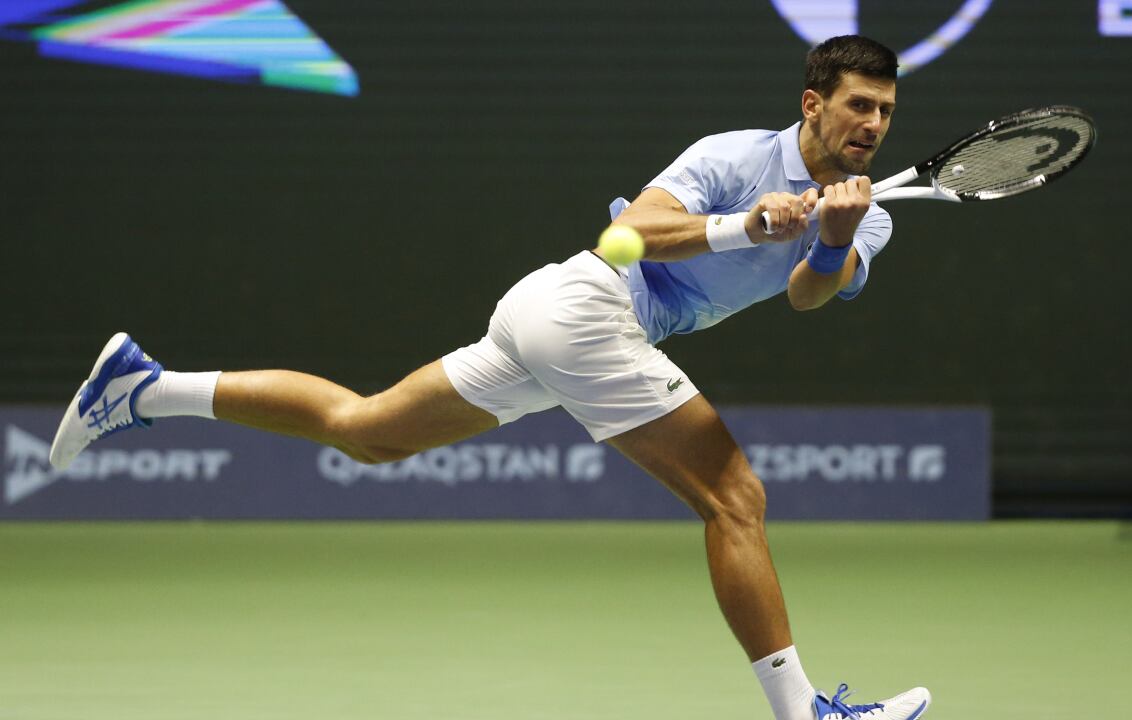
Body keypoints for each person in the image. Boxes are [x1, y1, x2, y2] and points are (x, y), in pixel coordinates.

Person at [49, 35, 929, 720]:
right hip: (583, 303)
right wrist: (748, 223)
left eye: (886, 112)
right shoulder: (733, 156)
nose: (875, 126)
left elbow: (814, 294)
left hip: (569, 329)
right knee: (735, 499)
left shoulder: (869, 211)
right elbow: (635, 234)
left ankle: (143, 388)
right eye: (859, 106)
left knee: (368, 432)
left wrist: (831, 232)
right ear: (813, 105)